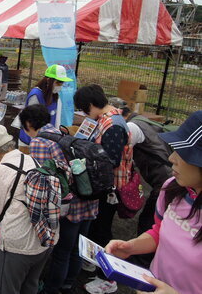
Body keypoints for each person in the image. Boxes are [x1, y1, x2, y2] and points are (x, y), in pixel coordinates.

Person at [105, 110, 202, 294]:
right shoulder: (172, 188)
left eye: (183, 153)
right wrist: (132, 246)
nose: (172, 158)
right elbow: (160, 231)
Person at [19, 104, 100, 294]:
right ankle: (68, 284)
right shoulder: (60, 132)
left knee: (62, 252)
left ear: (29, 123)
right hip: (88, 197)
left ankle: (51, 289)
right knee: (77, 247)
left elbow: (41, 178)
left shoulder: (39, 142)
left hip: (71, 204)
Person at [0, 125, 54, 294]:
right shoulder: (31, 159)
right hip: (45, 238)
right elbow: (20, 193)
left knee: (5, 289)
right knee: (30, 285)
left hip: (18, 244)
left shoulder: (1, 170)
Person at [74, 84, 132, 293]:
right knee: (96, 227)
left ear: (91, 104)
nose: (83, 113)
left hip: (110, 189)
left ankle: (107, 277)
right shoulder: (106, 119)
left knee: (102, 230)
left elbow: (111, 161)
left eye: (83, 108)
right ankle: (94, 261)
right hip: (104, 186)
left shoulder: (113, 125)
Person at [109, 98, 172, 238]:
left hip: (163, 181)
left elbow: (117, 153)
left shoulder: (131, 127)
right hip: (167, 174)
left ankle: (141, 258)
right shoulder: (141, 120)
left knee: (149, 221)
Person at [18, 64, 73, 146]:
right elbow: (30, 122)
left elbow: (56, 119)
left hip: (46, 141)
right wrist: (35, 142)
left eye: (62, 83)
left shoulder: (55, 95)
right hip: (30, 141)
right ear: (48, 80)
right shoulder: (36, 95)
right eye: (58, 83)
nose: (60, 86)